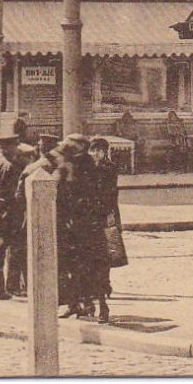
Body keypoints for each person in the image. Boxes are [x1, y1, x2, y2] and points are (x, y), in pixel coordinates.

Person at [56, 134, 107, 320]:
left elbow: (96, 197)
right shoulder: (66, 165)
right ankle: (74, 304)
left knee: (92, 268)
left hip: (87, 227)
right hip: (70, 227)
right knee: (70, 268)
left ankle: (98, 305)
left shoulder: (88, 167)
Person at [0, 125, 27, 300]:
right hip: (11, 214)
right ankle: (12, 286)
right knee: (16, 250)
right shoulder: (14, 166)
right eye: (15, 146)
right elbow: (15, 194)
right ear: (12, 147)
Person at [89, 136, 123, 321]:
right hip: (87, 221)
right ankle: (89, 303)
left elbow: (110, 195)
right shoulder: (84, 168)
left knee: (102, 262)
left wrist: (112, 218)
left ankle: (103, 305)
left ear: (104, 152)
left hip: (103, 219)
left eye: (99, 151)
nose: (96, 154)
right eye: (93, 150)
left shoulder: (109, 169)